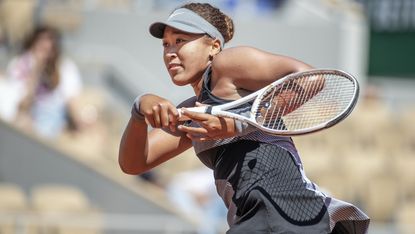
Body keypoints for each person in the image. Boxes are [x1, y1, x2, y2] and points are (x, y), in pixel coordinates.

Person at [118, 2, 370, 233]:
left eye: (181, 40)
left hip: (288, 214)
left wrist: (239, 122)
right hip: (258, 221)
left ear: (214, 46)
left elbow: (312, 78)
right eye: (165, 44)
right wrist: (139, 110)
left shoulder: (226, 64)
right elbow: (134, 164)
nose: (170, 52)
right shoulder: (191, 112)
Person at [5, 25, 83, 138]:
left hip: (53, 118)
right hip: (26, 116)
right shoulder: (19, 65)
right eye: (41, 46)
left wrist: (78, 122)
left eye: (49, 48)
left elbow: (72, 100)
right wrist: (36, 71)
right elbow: (20, 105)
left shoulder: (65, 67)